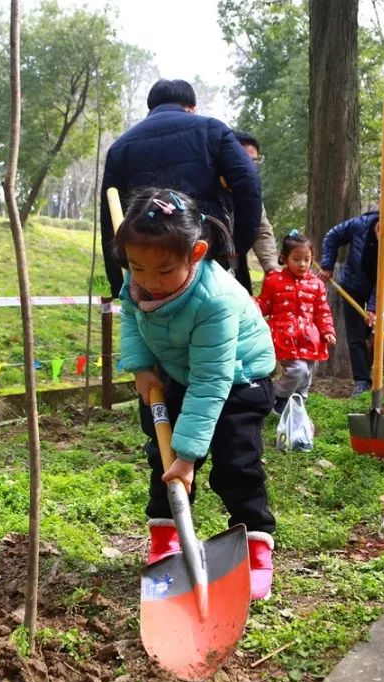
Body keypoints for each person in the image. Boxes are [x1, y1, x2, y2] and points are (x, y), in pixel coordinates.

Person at [114, 187, 278, 599]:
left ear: (197, 252)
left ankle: (256, 547)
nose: (150, 283)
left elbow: (211, 382)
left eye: (164, 271)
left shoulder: (215, 301)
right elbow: (132, 315)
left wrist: (189, 457)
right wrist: (140, 368)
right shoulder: (138, 284)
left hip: (239, 378)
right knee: (162, 457)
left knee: (234, 463)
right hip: (177, 373)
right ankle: (167, 540)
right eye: (138, 268)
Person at [100, 79, 262, 297]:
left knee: (157, 328)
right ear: (191, 107)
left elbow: (110, 216)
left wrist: (119, 280)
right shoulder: (213, 131)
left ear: (151, 108)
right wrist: (235, 246)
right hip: (203, 253)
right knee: (208, 322)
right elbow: (248, 183)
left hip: (148, 268)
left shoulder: (121, 147)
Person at [317, 212, 384, 396]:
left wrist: (374, 308)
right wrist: (327, 265)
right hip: (352, 285)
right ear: (379, 227)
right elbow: (332, 235)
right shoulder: (361, 225)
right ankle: (362, 381)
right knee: (356, 334)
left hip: (380, 289)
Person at [255, 230, 336, 413]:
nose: (302, 264)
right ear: (284, 258)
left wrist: (328, 331)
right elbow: (265, 304)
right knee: (297, 370)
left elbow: (323, 311)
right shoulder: (274, 281)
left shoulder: (317, 284)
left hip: (310, 338)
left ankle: (296, 412)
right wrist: (251, 305)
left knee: (306, 376)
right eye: (297, 259)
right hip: (285, 336)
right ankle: (276, 396)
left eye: (307, 259)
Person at [233, 131, 280, 274]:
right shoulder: (207, 186)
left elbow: (261, 229)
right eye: (246, 159)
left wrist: (272, 267)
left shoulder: (251, 193)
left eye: (254, 161)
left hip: (238, 265)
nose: (250, 166)